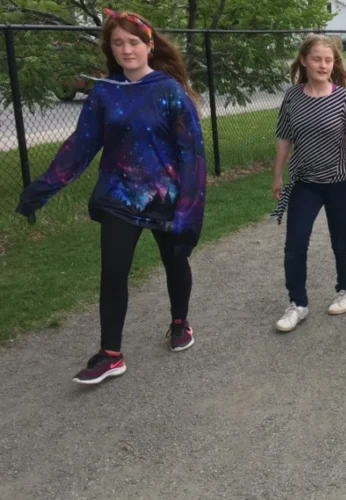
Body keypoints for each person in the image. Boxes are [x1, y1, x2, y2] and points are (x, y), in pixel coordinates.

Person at [15, 9, 206, 385]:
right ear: (110, 49)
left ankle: (180, 321)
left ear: (149, 46)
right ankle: (111, 354)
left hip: (164, 198)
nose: (126, 49)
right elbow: (81, 146)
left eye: (133, 42)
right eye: (118, 43)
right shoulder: (105, 92)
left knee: (175, 263)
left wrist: (189, 211)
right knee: (113, 272)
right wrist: (45, 185)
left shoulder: (169, 91)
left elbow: (192, 155)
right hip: (120, 197)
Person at [271, 35, 346, 332]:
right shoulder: (292, 96)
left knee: (341, 239)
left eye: (328, 60)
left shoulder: (344, 97)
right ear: (303, 61)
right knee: (295, 244)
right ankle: (297, 303)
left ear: (334, 63)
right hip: (305, 182)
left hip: (340, 182)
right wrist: (277, 175)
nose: (323, 65)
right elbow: (285, 136)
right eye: (317, 59)